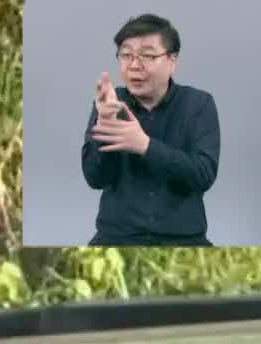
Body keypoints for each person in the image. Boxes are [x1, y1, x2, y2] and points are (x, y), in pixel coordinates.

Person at [80, 13, 222, 246]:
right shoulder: (111, 102)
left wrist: (145, 146)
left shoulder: (199, 104)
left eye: (147, 55)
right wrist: (104, 124)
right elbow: (95, 178)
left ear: (172, 60)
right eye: (126, 55)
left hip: (182, 239)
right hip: (116, 238)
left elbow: (203, 175)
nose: (135, 65)